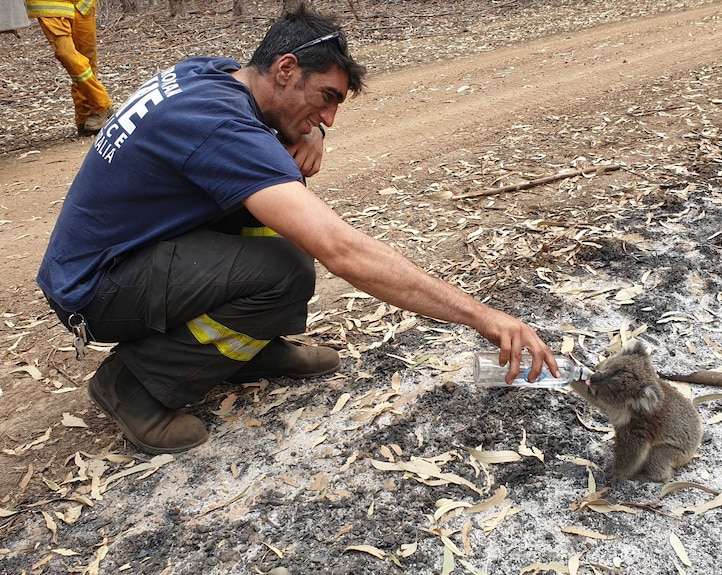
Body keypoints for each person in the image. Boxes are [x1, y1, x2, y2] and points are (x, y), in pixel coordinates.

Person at [37, 3, 559, 455]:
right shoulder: (222, 127)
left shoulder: (211, 76)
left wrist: (308, 134)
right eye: (326, 98)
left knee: (281, 226)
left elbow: (268, 131)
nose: (328, 117)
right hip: (96, 288)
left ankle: (244, 347)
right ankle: (134, 384)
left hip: (120, 254)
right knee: (285, 268)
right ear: (285, 68)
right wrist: (483, 316)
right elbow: (342, 250)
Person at [26, 0, 113, 135]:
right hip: (51, 7)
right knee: (67, 55)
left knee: (87, 60)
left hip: (82, 4)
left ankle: (85, 116)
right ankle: (101, 103)